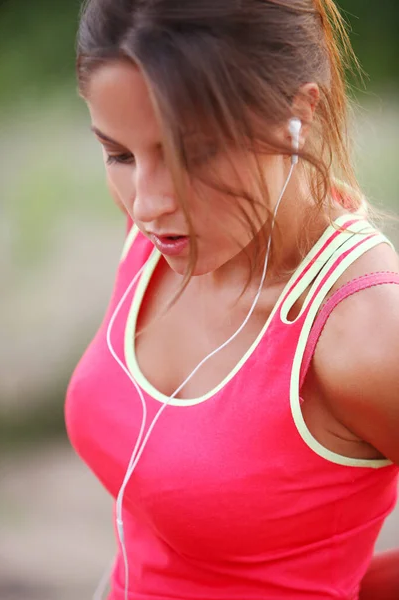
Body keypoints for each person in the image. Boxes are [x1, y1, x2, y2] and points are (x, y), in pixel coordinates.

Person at [65, 0, 399, 598]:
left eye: (191, 154)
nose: (146, 204)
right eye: (119, 154)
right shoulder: (163, 239)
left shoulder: (365, 331)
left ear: (298, 110)